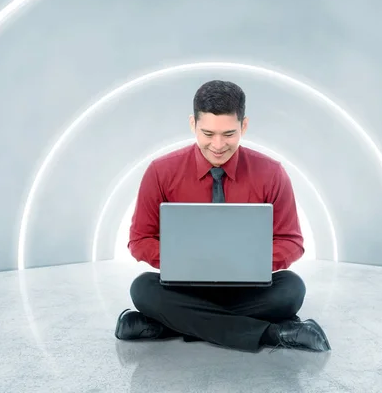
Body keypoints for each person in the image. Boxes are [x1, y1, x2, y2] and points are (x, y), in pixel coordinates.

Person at [114, 80, 331, 353]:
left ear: (244, 126)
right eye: (207, 133)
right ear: (193, 124)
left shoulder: (272, 172)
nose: (218, 145)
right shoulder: (160, 171)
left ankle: (168, 324)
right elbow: (139, 240)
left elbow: (291, 241)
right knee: (142, 288)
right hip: (185, 287)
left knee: (292, 289)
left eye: (229, 133)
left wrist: (243, 261)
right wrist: (186, 260)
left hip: (247, 288)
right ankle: (272, 333)